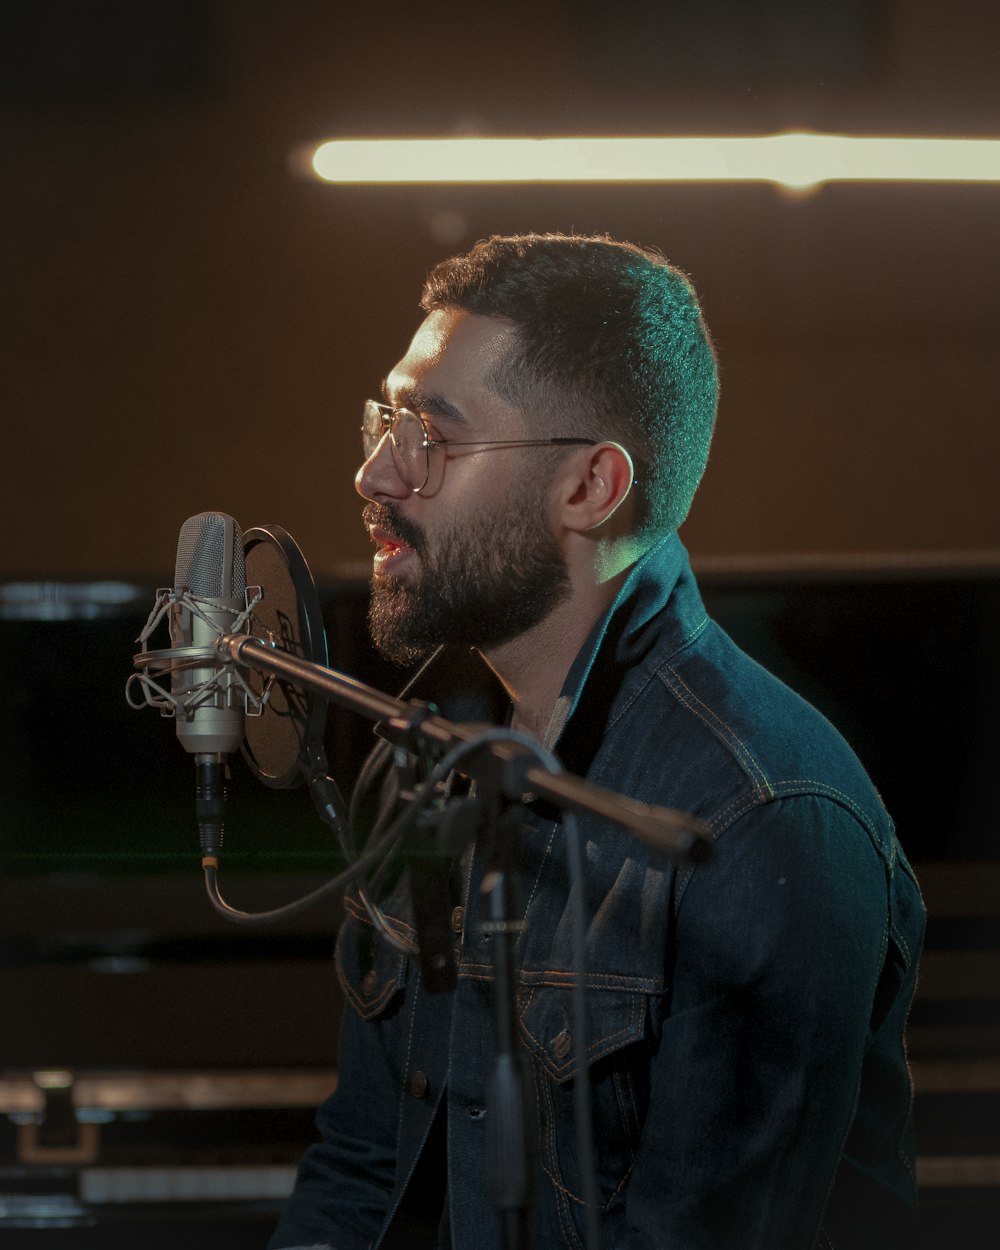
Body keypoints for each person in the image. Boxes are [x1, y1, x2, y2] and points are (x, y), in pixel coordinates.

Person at [269, 233, 925, 1249]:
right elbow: (362, 1172)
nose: (374, 471)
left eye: (432, 435)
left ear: (589, 488)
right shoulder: (427, 754)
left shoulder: (769, 815)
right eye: (385, 418)